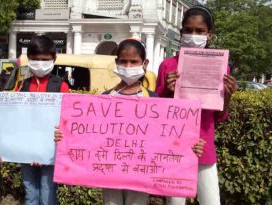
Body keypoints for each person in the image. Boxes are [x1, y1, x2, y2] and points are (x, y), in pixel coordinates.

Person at [54, 39, 205, 205]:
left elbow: (167, 138)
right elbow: (88, 135)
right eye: (123, 62)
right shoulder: (104, 99)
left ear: (144, 63)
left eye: (134, 62)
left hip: (140, 175)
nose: (128, 66)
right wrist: (65, 136)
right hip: (109, 173)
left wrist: (189, 145)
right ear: (116, 63)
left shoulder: (154, 100)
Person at [156, 5, 238, 205]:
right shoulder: (168, 66)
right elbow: (156, 113)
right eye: (189, 30)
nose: (193, 35)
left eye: (200, 31)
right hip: (174, 147)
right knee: (175, 202)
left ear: (209, 35)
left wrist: (227, 96)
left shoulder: (221, 66)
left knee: (211, 201)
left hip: (204, 145)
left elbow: (219, 116)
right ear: (181, 32)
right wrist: (167, 90)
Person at [0, 35, 69, 205]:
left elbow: (67, 120)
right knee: (31, 194)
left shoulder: (61, 85)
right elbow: (15, 120)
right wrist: (0, 147)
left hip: (50, 153)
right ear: (29, 59)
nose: (40, 63)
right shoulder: (23, 85)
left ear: (53, 59)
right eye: (35, 59)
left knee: (48, 195)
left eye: (45, 59)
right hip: (26, 151)